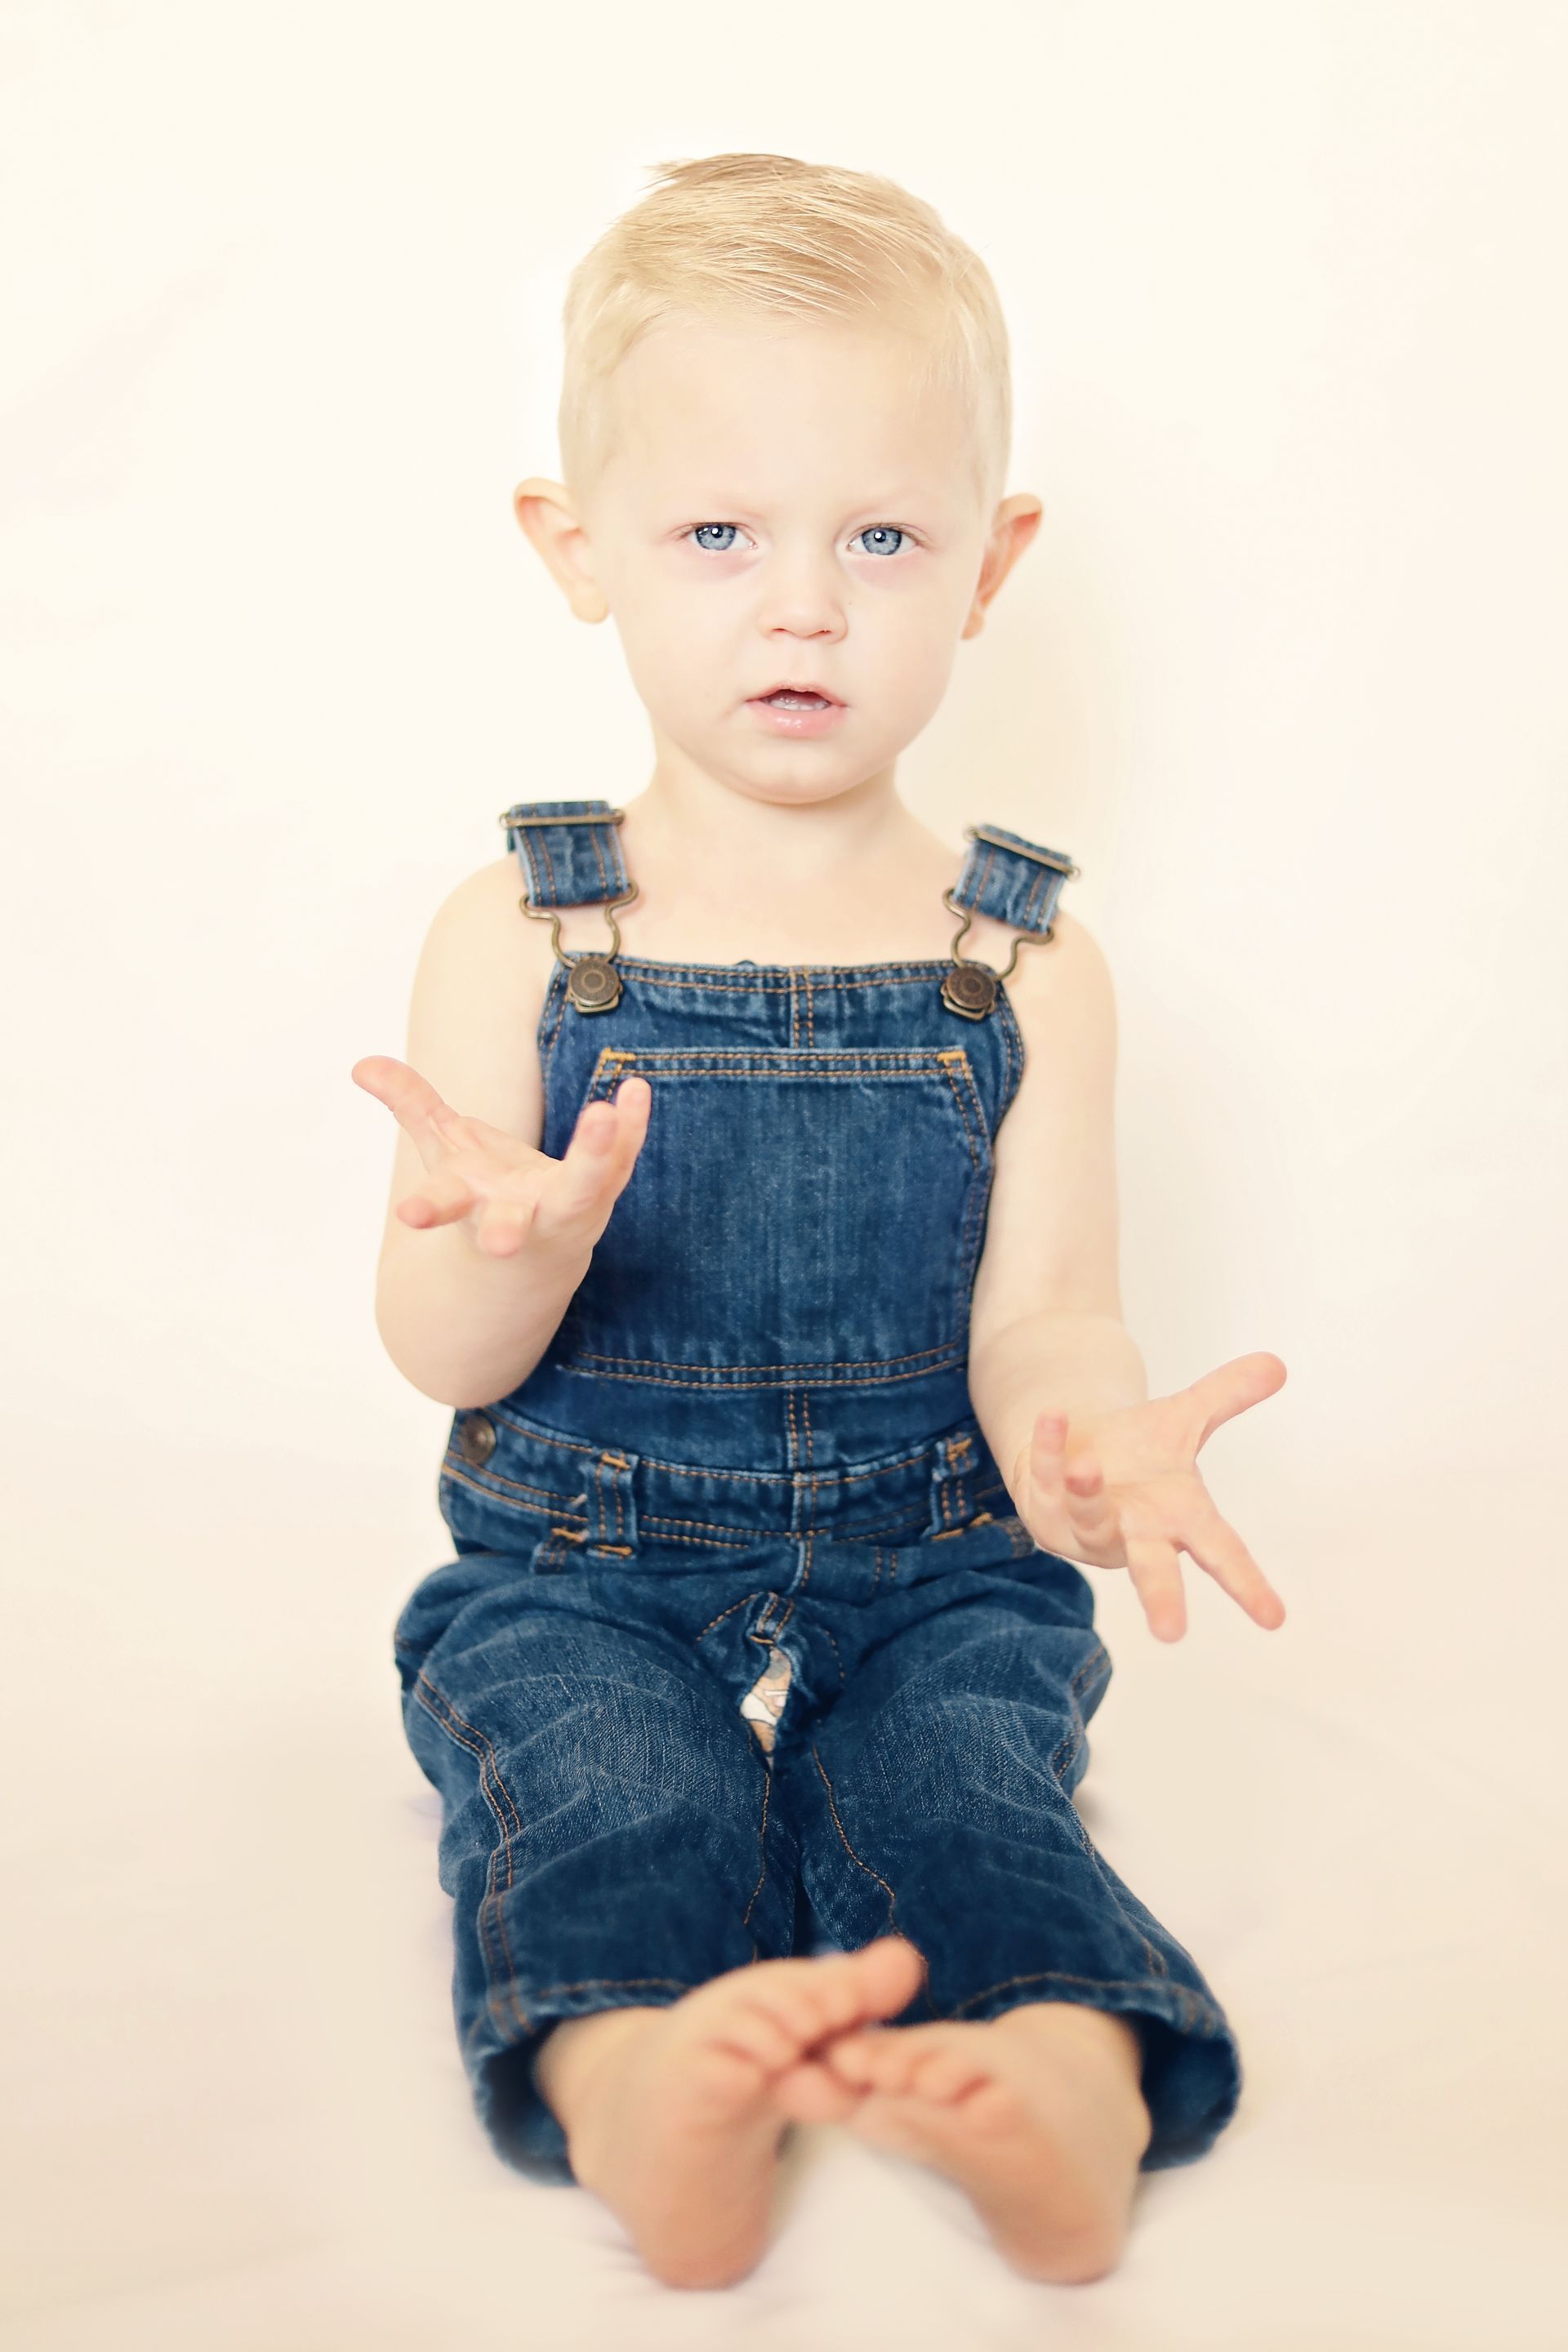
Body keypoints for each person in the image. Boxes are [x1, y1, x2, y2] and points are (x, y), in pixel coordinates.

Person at [352, 151, 1288, 2293]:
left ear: (989, 563)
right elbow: (445, 1359)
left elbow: (1046, 1319)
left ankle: (1067, 2076)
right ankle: (643, 2085)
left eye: (882, 536)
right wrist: (504, 1243)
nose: (805, 603)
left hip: (931, 1554)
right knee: (602, 1786)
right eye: (719, 533)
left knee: (971, 1783)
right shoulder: (516, 934)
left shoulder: (1031, 966)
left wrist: (1088, 1439)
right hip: (587, 1560)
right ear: (574, 552)